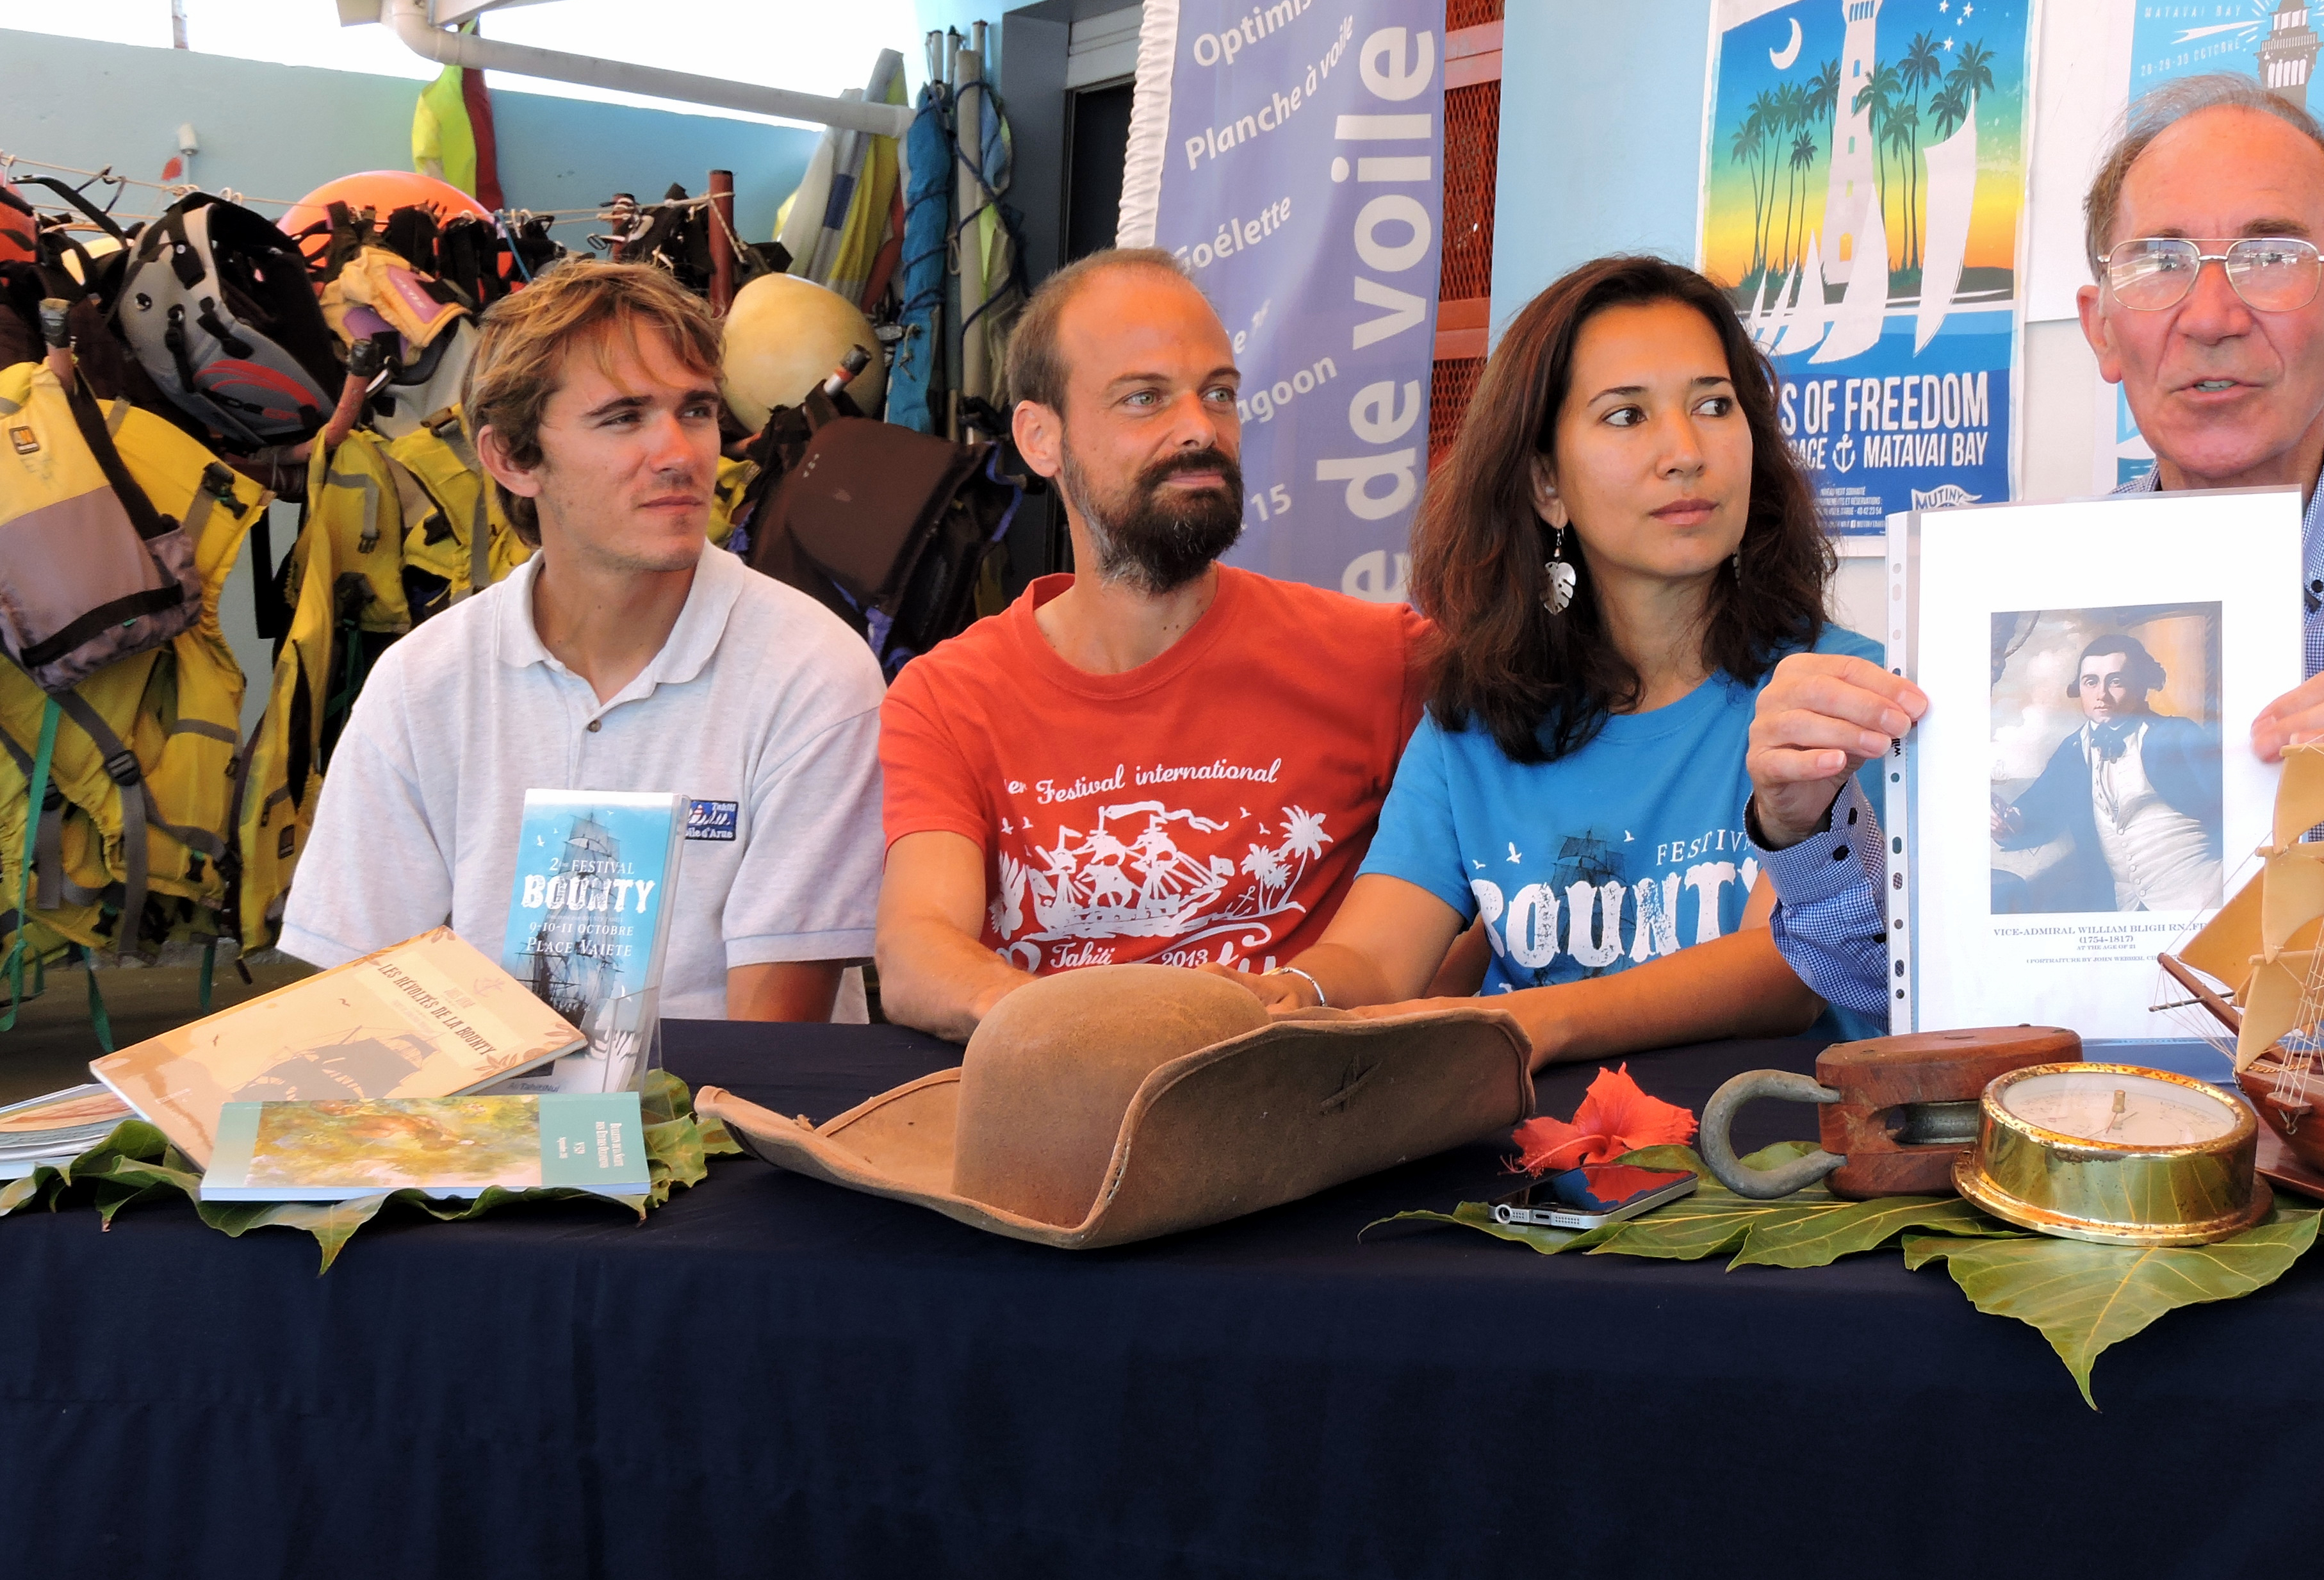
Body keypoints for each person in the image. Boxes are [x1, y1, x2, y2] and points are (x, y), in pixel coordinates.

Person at [1750, 71, 2324, 1043]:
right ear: (2103, 327)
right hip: (2085, 1154)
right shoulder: (2012, 586)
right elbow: (1880, 986)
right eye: (2157, 261)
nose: (2210, 315)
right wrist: (1802, 821)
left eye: (2270, 255)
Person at [1210, 254, 1874, 1063]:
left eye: (1714, 405)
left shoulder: (1838, 692)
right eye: (1627, 416)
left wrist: (1529, 1021)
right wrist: (1296, 994)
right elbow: (1377, 959)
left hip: (1766, 1168)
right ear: (1545, 485)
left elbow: (1785, 972)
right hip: (1520, 1168)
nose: (1686, 450)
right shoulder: (1478, 724)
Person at [279, 260, 885, 1019]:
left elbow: (768, 1052)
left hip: (724, 1129)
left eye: (696, 411)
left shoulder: (814, 674)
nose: (679, 453)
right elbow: (357, 1004)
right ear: (511, 459)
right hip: (478, 1130)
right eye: (624, 417)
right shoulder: (421, 684)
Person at [873, 249, 1420, 1041]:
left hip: (1297, 1120)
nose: (1200, 429)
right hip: (1053, 1112)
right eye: (1144, 399)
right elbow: (916, 945)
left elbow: (1480, 896)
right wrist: (1078, 1033)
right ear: (1040, 438)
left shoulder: (1384, 659)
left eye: (1220, 394)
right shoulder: (948, 695)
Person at [1993, 629, 2221, 918]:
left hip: (2200, 894)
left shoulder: (2178, 734)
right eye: (2091, 682)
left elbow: (2229, 810)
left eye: (2116, 682)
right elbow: (2042, 804)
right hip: (2126, 906)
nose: (2102, 695)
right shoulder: (2075, 747)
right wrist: (2011, 820)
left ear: (2140, 686)